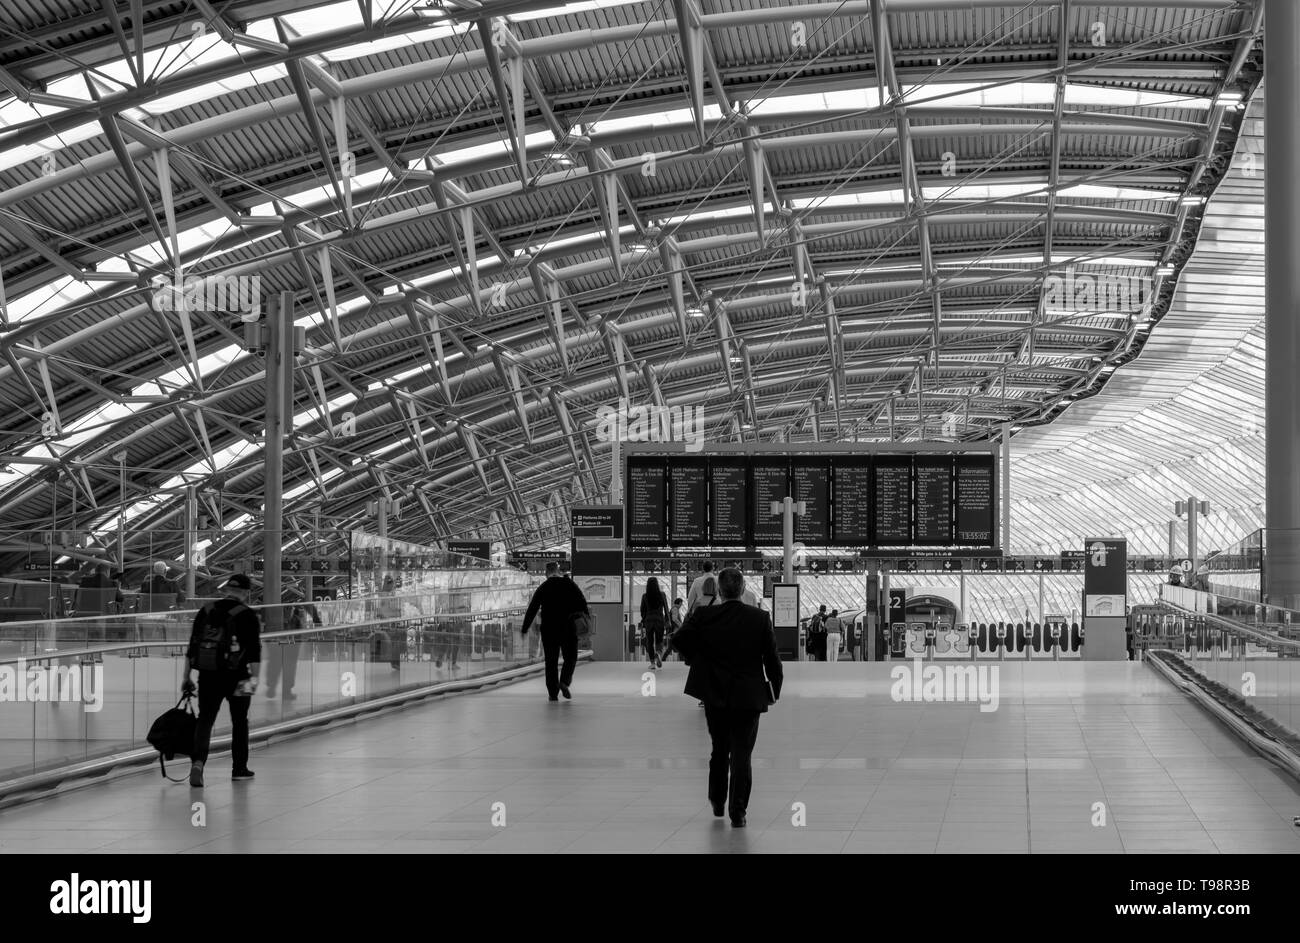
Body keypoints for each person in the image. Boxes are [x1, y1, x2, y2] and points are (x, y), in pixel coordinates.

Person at [669, 567, 783, 828]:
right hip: (748, 696)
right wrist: (774, 690)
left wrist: (699, 660)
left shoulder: (704, 615)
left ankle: (718, 800)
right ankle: (738, 812)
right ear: (743, 590)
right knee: (742, 753)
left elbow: (679, 640)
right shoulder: (759, 618)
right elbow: (772, 660)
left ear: (719, 590)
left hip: (715, 694)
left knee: (720, 749)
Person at [181, 574, 262, 787]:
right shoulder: (247, 615)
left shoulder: (206, 611)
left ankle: (198, 763)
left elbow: (193, 646)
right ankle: (239, 769)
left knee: (205, 719)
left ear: (227, 589)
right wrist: (255, 678)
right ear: (246, 593)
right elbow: (254, 651)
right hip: (240, 676)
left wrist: (186, 676)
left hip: (208, 675)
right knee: (240, 721)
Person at [520, 562, 590, 700]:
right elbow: (582, 601)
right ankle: (564, 681)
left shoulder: (544, 587)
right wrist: (585, 617)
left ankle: (553, 693)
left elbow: (533, 608)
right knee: (570, 657)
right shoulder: (569, 584)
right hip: (568, 627)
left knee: (550, 662)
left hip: (549, 629)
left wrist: (525, 628)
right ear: (558, 570)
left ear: (547, 573)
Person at [265, 581, 320, 701]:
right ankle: (285, 690)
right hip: (291, 640)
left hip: (277, 638)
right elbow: (313, 612)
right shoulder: (301, 602)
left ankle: (273, 687)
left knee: (275, 663)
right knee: (288, 665)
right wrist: (318, 623)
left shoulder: (276, 598)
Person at [640, 577, 670, 669]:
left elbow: (642, 610)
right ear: (657, 584)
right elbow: (666, 608)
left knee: (649, 641)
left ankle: (652, 663)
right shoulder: (662, 594)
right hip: (659, 620)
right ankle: (659, 653)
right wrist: (667, 620)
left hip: (649, 620)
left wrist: (644, 619)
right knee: (659, 640)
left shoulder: (645, 596)